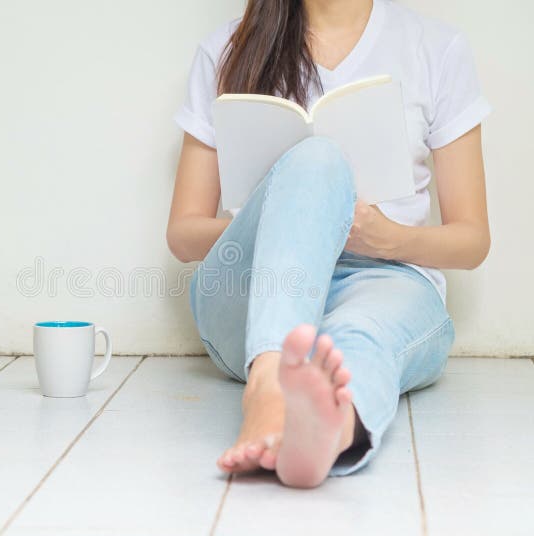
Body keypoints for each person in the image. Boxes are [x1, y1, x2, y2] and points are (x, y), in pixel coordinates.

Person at [167, 0, 491, 488]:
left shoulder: (437, 49)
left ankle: (329, 433)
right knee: (318, 159)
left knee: (360, 336)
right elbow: (183, 233)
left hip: (384, 277)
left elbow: (473, 240)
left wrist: (388, 238)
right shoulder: (226, 51)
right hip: (259, 289)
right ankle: (269, 385)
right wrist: (294, 215)